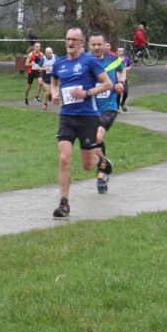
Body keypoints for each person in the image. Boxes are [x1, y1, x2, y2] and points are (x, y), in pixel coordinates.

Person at [49, 28, 113, 218]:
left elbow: (107, 83)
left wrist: (86, 93)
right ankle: (64, 203)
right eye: (68, 39)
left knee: (87, 165)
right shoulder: (59, 63)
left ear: (81, 43)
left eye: (74, 40)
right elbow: (54, 82)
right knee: (64, 157)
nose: (70, 43)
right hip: (67, 116)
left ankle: (101, 160)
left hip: (87, 117)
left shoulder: (90, 61)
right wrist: (54, 94)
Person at [89, 33, 124, 194]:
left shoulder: (114, 59)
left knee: (98, 135)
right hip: (90, 109)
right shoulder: (85, 61)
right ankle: (104, 165)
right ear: (89, 45)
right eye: (93, 44)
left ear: (105, 45)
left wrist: (120, 83)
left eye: (99, 44)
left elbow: (122, 71)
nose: (96, 47)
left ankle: (102, 173)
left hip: (109, 107)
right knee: (92, 143)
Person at [116, 47, 132, 111]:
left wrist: (127, 69)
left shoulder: (126, 59)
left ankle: (122, 103)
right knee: (118, 93)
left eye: (122, 51)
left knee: (126, 92)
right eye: (119, 51)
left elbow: (129, 65)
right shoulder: (115, 59)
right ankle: (117, 107)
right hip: (117, 78)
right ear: (117, 52)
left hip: (124, 78)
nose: (120, 52)